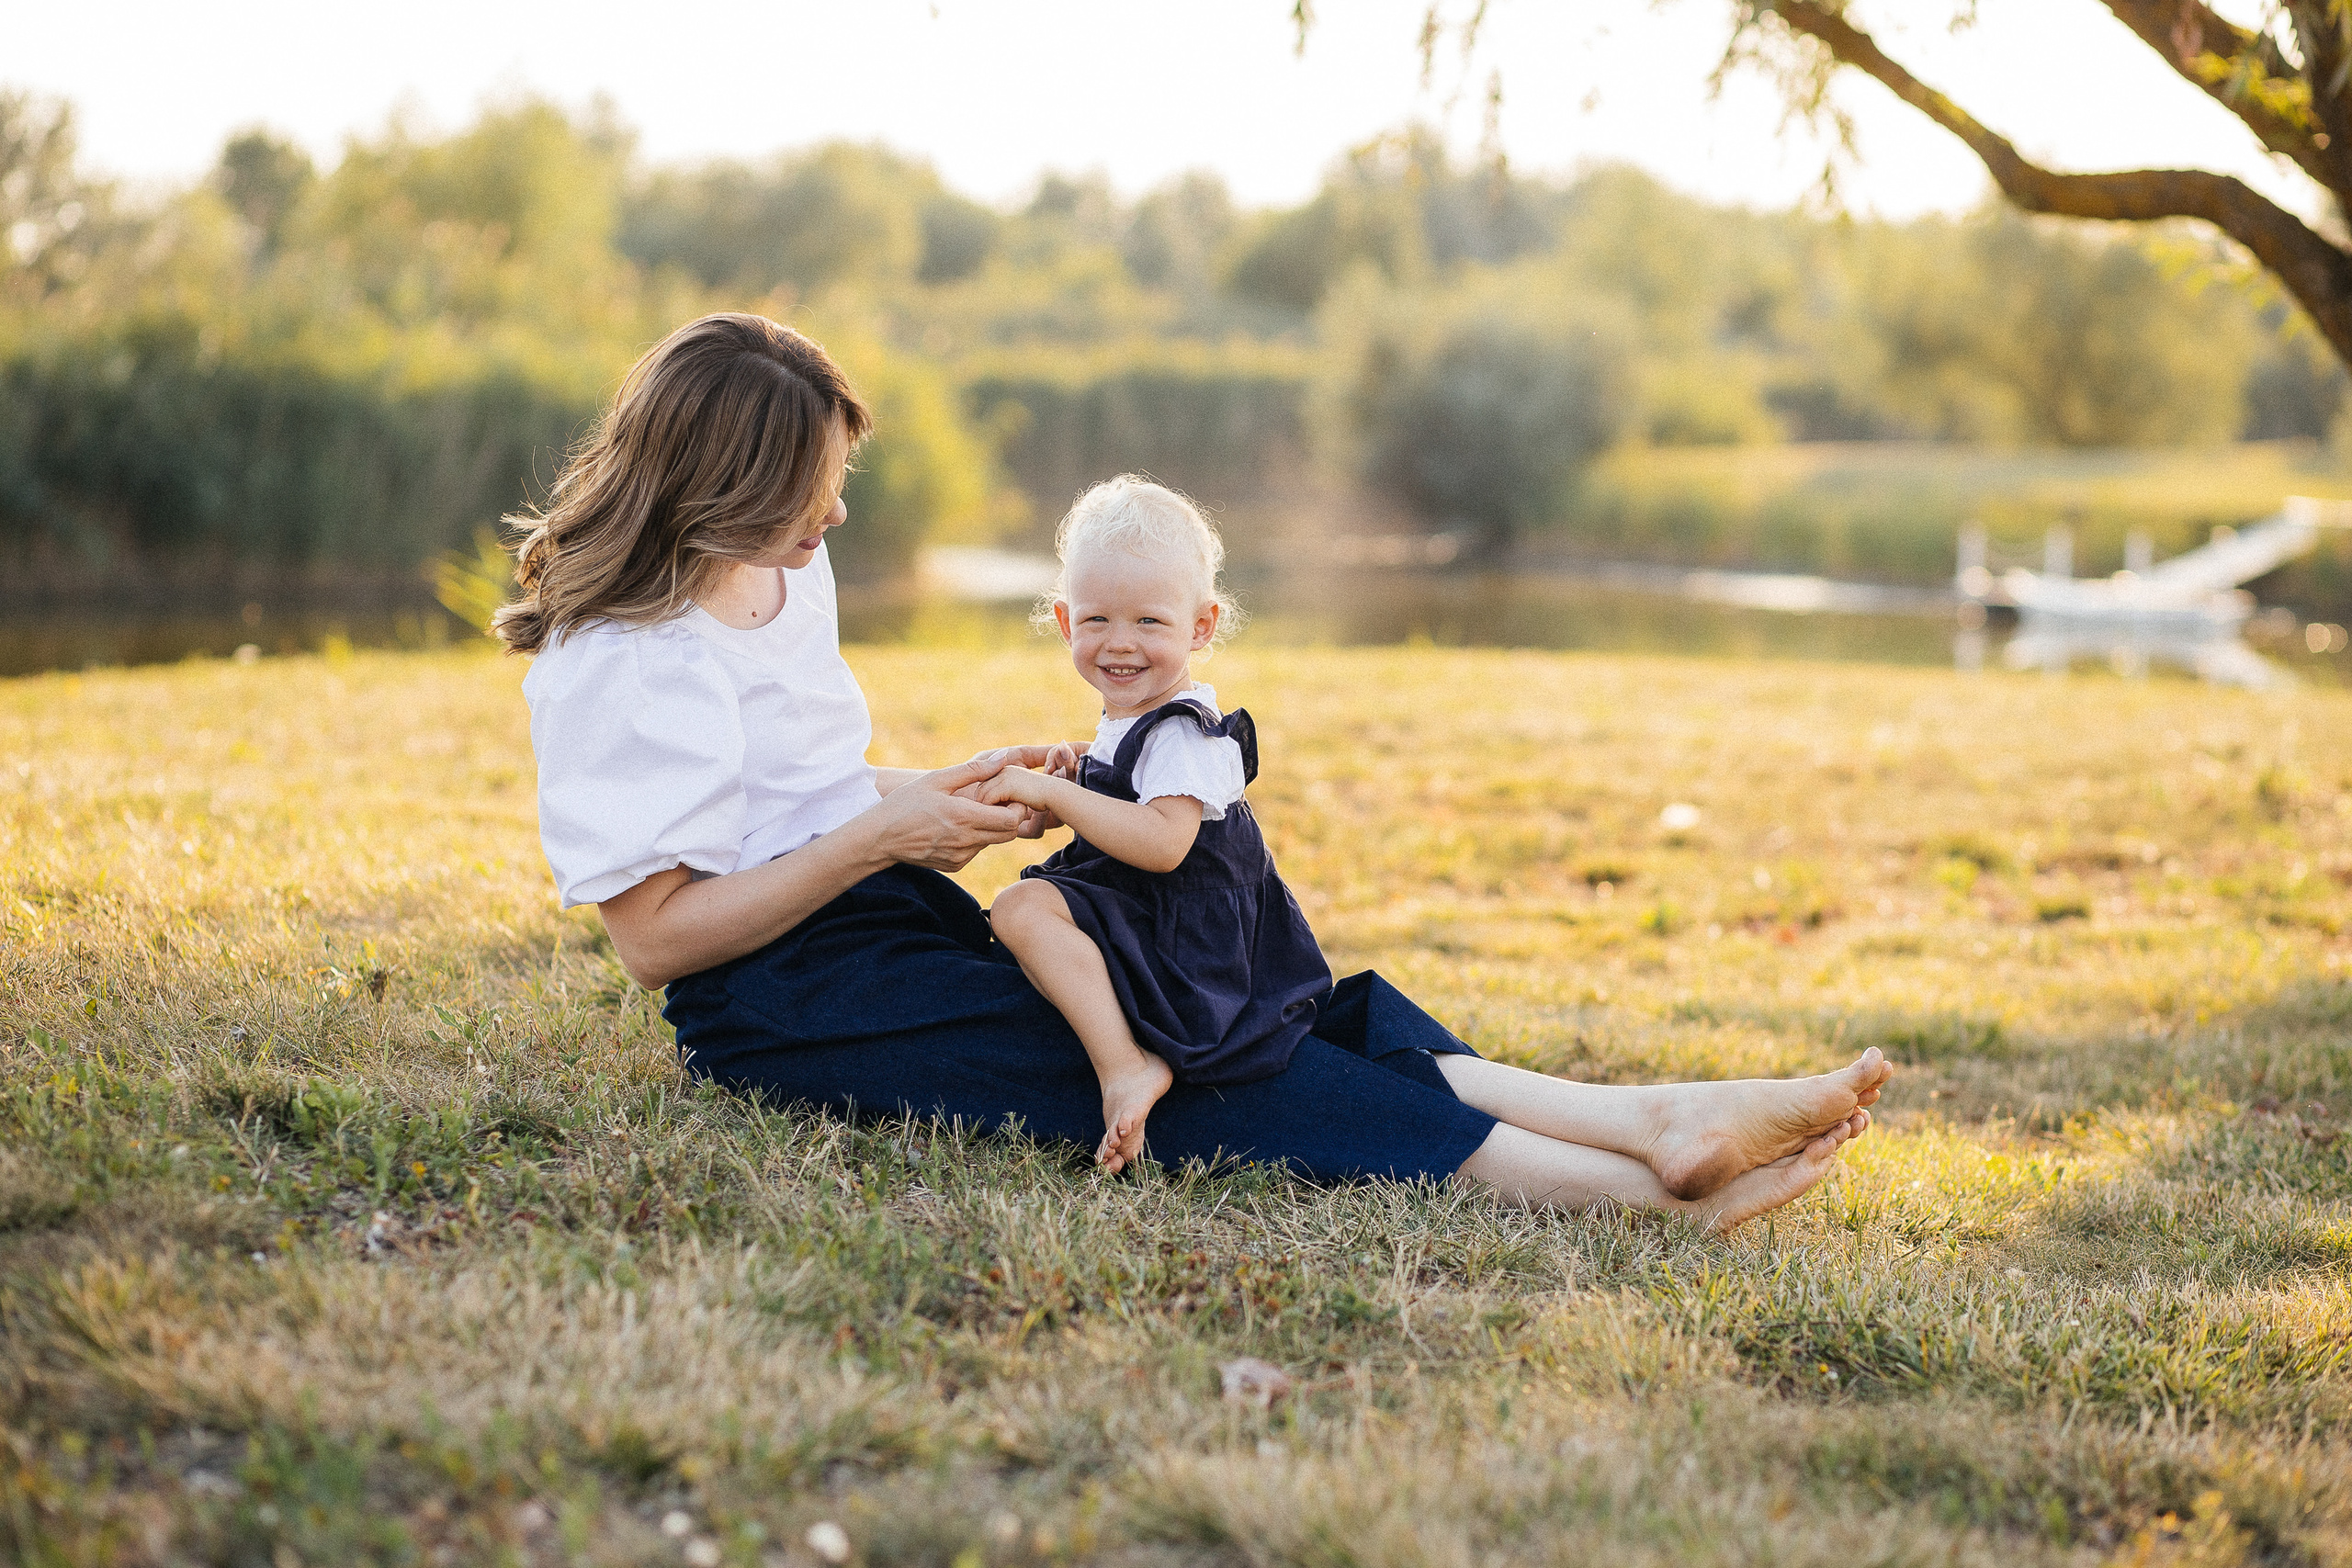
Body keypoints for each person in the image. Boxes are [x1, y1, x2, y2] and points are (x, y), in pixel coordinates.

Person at [503, 311, 1890, 1233]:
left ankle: (1649, 1116)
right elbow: (661, 937)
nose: (839, 510)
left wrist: (936, 790)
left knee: (1223, 996)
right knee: (1178, 1071)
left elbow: (793, 788)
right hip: (784, 998)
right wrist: (881, 837)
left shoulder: (774, 572)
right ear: (726, 479)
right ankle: (1640, 1196)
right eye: (814, 483)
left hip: (873, 921)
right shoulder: (624, 657)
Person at [978, 477, 1332, 1172]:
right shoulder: (1134, 712)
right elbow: (1130, 796)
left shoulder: (1185, 730)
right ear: (1063, 621)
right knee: (1021, 915)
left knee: (1022, 906)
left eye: (1149, 622)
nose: (1120, 644)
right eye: (1097, 620)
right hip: (1145, 909)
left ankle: (1126, 1067)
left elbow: (1166, 844)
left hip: (1189, 948)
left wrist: (1048, 792)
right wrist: (1079, 777)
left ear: (1201, 626)